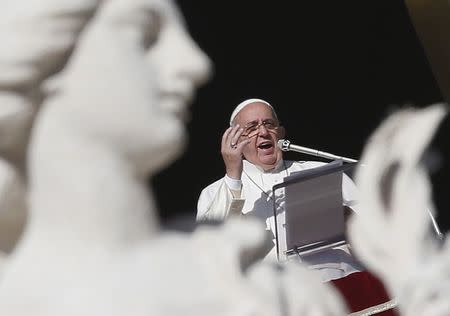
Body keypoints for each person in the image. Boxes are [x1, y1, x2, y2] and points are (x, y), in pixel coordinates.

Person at [197, 98, 364, 282]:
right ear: (236, 141)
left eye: (269, 124)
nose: (263, 132)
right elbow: (211, 248)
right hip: (271, 295)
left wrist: (351, 221)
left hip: (340, 281)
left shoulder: (322, 173)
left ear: (281, 132)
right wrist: (233, 176)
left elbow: (377, 238)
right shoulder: (214, 192)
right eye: (252, 127)